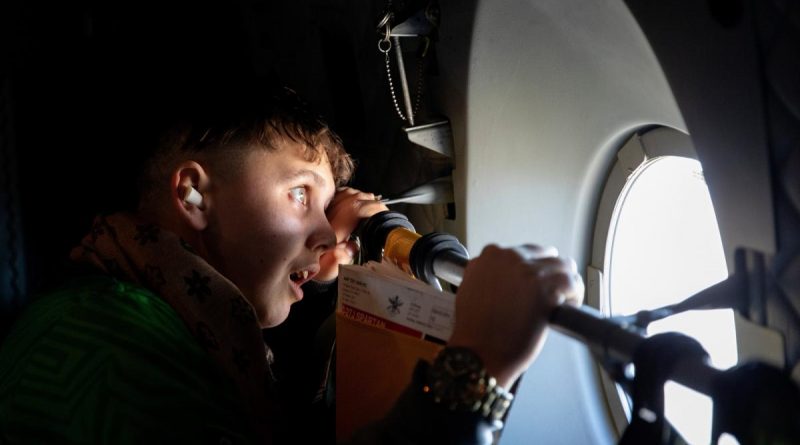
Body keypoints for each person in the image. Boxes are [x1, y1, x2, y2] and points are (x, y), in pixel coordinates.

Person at [0, 86, 584, 444]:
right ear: (193, 196)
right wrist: (474, 370)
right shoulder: (103, 349)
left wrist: (321, 290)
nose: (328, 231)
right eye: (301, 194)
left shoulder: (173, 331)